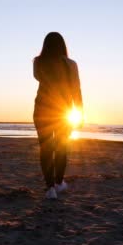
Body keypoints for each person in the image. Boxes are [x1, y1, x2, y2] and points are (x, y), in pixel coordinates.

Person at [33, 32, 83, 199]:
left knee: (45, 148)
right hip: (63, 110)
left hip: (42, 109)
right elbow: (76, 89)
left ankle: (49, 189)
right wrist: (80, 112)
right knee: (61, 148)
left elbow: (37, 77)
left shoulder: (38, 62)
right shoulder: (71, 64)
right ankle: (59, 183)